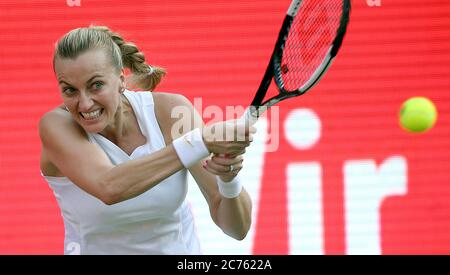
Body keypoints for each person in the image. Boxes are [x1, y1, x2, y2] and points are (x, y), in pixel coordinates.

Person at [38, 26, 255, 255]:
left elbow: (237, 229)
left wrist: (228, 180)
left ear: (121, 79)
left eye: (96, 85)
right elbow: (109, 186)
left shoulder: (170, 111)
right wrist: (198, 143)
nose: (84, 104)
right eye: (70, 90)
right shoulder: (56, 126)